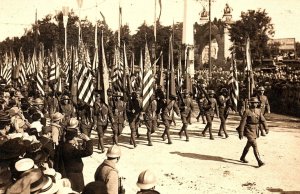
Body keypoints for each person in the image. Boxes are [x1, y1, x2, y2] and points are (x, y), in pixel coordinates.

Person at [237, 97, 269, 167]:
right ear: (250, 103)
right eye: (253, 103)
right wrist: (241, 132)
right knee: (254, 144)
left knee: (248, 145)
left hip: (255, 130)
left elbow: (263, 120)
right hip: (248, 129)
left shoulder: (259, 111)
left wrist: (266, 128)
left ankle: (242, 157)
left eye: (256, 103)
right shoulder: (247, 111)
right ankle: (259, 161)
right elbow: (242, 122)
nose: (254, 104)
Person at [62, 124, 93, 192]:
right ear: (73, 138)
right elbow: (88, 152)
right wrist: (88, 140)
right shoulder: (71, 150)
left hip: (67, 173)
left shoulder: (63, 146)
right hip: (75, 177)